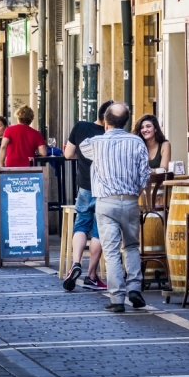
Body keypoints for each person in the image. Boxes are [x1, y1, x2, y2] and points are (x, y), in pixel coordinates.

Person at [80, 102, 150, 313]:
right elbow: (145, 173)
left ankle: (117, 298)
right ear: (126, 121)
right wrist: (136, 192)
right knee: (131, 246)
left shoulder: (95, 143)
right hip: (129, 200)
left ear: (105, 121)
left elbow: (80, 148)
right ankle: (135, 287)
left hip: (106, 201)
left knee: (111, 251)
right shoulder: (137, 141)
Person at [61, 100, 113, 291]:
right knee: (99, 228)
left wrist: (82, 158)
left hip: (84, 185)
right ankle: (91, 274)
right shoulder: (110, 135)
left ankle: (75, 263)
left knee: (81, 223)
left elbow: (68, 154)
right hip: (104, 188)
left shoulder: (81, 126)